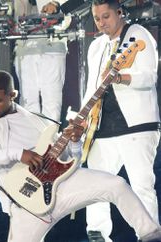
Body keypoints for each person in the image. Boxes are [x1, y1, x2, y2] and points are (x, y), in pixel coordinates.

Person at [0, 70, 161, 242]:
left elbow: (71, 159)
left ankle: (151, 235)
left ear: (13, 95)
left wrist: (75, 140)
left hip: (62, 188)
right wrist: (18, 153)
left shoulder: (35, 120)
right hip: (27, 201)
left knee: (117, 185)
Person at [82, 0, 160, 241]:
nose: (101, 23)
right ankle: (97, 234)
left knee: (140, 186)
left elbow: (149, 77)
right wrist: (82, 119)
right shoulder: (95, 46)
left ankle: (149, 233)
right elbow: (91, 87)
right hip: (102, 126)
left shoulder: (137, 35)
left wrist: (122, 77)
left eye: (106, 16)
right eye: (97, 18)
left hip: (136, 125)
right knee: (96, 186)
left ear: (119, 12)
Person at [13, 0, 68, 122]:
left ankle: (50, 140)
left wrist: (55, 3)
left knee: (52, 101)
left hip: (52, 40)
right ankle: (32, 139)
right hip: (24, 43)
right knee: (27, 102)